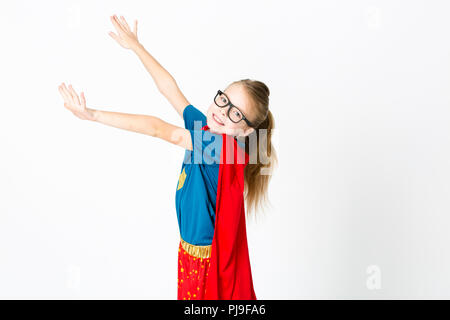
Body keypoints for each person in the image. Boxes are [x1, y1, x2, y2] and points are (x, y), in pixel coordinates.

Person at [58, 14, 277, 300]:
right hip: (191, 253)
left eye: (235, 113)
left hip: (205, 262)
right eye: (224, 99)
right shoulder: (208, 131)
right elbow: (171, 90)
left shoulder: (221, 147)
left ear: (246, 130)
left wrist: (94, 115)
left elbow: (160, 130)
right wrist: (136, 46)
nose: (222, 112)